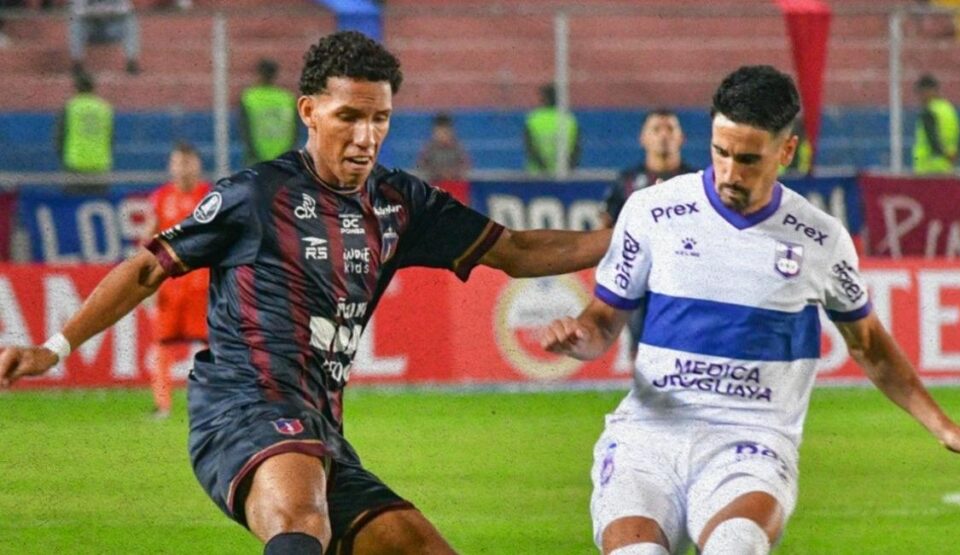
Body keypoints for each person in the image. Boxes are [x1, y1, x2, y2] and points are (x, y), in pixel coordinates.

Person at [0, 31, 612, 555]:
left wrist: (633, 233)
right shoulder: (256, 194)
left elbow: (519, 250)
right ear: (310, 111)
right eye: (349, 117)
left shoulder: (401, 203)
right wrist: (54, 348)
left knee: (419, 547)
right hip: (242, 408)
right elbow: (147, 268)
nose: (366, 136)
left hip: (319, 428)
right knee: (300, 517)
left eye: (380, 118)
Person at [541, 65, 960, 555]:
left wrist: (945, 428)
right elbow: (603, 321)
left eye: (748, 159)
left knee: (735, 545)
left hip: (750, 445)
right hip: (648, 438)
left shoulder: (820, 239)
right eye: (721, 152)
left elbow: (869, 345)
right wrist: (581, 337)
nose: (730, 173)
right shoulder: (651, 211)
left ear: (786, 151)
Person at [600, 108, 695, 358]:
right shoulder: (627, 182)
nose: (663, 135)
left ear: (682, 137)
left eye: (670, 129)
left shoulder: (696, 182)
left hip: (684, 279)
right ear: (643, 138)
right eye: (656, 129)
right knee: (642, 349)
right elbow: (607, 226)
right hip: (640, 279)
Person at [143, 142, 212, 419]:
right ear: (171, 166)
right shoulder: (161, 198)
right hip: (170, 284)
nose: (182, 169)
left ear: (198, 165)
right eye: (178, 163)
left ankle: (215, 404)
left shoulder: (210, 196)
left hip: (202, 283)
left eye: (187, 162)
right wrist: (147, 282)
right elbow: (150, 241)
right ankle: (162, 406)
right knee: (162, 344)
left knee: (213, 345)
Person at [55, 70, 114, 193]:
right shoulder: (104, 107)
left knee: (74, 201)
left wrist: (63, 157)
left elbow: (60, 136)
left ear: (76, 87)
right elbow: (110, 137)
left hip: (75, 163)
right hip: (99, 164)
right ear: (93, 87)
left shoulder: (71, 107)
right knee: (98, 200)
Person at [240, 58, 299, 166]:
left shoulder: (249, 97)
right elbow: (295, 129)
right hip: (283, 154)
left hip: (257, 155)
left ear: (258, 74)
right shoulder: (287, 98)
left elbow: (244, 128)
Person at [69, 0, 141, 75]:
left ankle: (131, 61)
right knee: (76, 21)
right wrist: (103, 11)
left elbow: (126, 9)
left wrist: (99, 11)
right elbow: (78, 11)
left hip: (111, 29)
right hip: (91, 31)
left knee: (129, 20)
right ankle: (77, 62)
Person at [524, 83, 580, 176]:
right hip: (563, 174)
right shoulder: (569, 120)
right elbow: (576, 150)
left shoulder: (533, 119)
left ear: (543, 99)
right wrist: (568, 169)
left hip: (537, 175)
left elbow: (530, 148)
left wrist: (545, 170)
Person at [912, 73, 960, 175]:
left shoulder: (929, 111)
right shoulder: (949, 109)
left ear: (928, 91)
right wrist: (954, 155)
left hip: (927, 167)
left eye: (921, 93)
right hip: (947, 167)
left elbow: (932, 138)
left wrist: (944, 154)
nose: (920, 97)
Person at [416, 112, 470, 186]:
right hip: (434, 183)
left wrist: (453, 173)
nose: (442, 135)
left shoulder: (457, 147)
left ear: (451, 132)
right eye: (439, 132)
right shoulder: (429, 148)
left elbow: (465, 165)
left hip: (454, 183)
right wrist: (437, 173)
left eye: (445, 132)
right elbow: (420, 166)